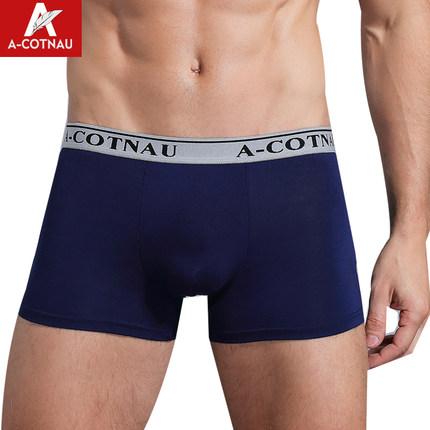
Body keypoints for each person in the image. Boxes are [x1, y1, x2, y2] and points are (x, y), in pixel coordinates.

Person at [2, 0, 430, 428]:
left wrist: (411, 234)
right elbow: (27, 18)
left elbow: (394, 18)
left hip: (285, 195)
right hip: (105, 182)